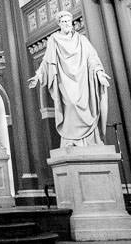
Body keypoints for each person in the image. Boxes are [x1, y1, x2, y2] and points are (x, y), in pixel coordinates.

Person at [28, 11, 112, 147]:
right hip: (65, 79)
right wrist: (38, 76)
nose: (67, 24)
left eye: (69, 21)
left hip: (82, 80)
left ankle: (90, 140)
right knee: (71, 104)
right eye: (64, 22)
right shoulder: (54, 40)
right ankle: (71, 140)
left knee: (88, 107)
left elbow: (92, 58)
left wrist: (99, 73)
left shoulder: (81, 40)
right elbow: (47, 61)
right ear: (59, 24)